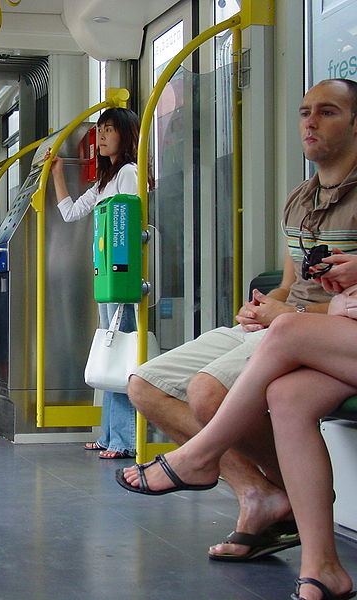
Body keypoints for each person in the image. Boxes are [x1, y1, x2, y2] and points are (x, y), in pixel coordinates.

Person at [124, 78, 357, 564]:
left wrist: (286, 315)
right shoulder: (299, 198)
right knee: (145, 386)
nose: (310, 122)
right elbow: (290, 284)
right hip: (284, 321)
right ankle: (261, 494)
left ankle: (218, 470)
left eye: (328, 112)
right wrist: (262, 307)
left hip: (312, 330)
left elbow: (333, 309)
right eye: (304, 111)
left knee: (209, 390)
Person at [116, 253, 357, 600]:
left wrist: (297, 314)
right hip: (314, 328)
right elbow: (291, 287)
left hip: (319, 328)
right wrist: (265, 308)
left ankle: (198, 458)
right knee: (285, 394)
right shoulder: (302, 207)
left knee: (260, 352)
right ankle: (321, 563)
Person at [48, 107, 142, 459]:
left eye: (109, 130)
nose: (102, 136)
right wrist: (58, 174)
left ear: (126, 135)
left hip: (121, 279)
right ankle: (110, 434)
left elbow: (129, 227)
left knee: (120, 354)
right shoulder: (105, 181)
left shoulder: (129, 174)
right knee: (111, 350)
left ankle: (125, 438)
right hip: (106, 278)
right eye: (100, 130)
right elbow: (70, 212)